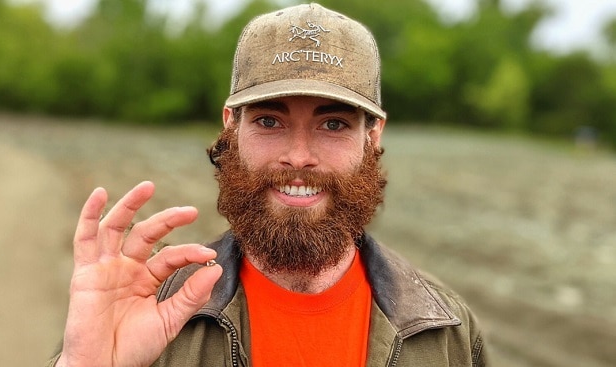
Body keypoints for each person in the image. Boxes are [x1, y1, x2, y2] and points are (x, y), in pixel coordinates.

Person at [47, 3, 487, 366]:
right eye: (269, 121)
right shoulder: (155, 316)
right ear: (231, 128)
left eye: (332, 124)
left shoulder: (446, 334)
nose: (298, 155)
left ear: (373, 137)